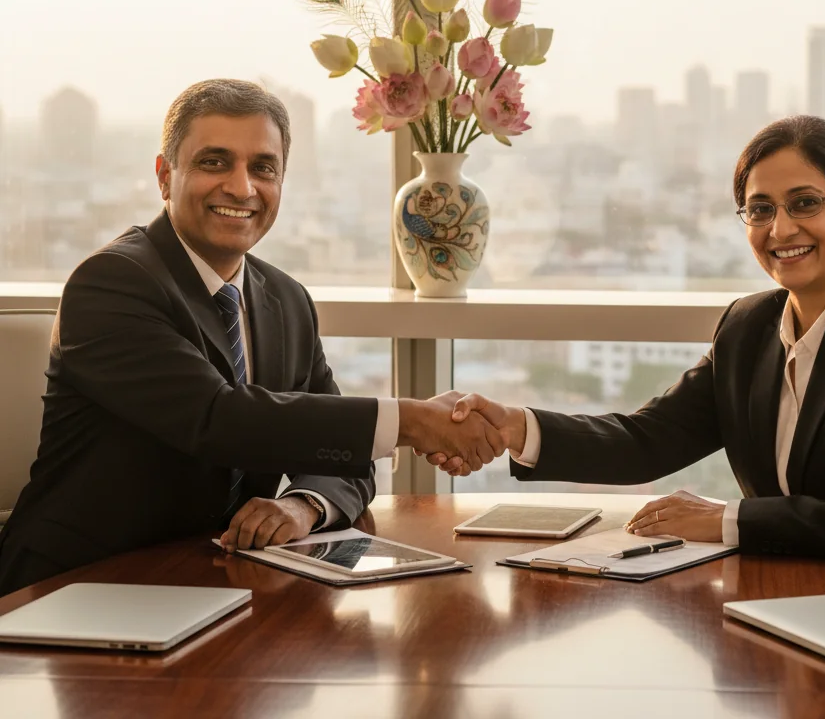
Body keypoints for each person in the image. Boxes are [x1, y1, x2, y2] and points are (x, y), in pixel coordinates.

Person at [429, 116, 825, 600]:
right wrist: (515, 429)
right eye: (759, 210)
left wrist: (727, 520)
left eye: (805, 203)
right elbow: (645, 440)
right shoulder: (747, 327)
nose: (781, 228)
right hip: (799, 599)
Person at [0, 79, 504, 595]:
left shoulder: (287, 301)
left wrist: (302, 505)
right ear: (164, 176)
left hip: (219, 585)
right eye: (215, 162)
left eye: (263, 168)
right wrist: (412, 421)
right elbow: (218, 418)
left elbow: (342, 455)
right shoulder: (110, 284)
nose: (242, 188)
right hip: (77, 591)